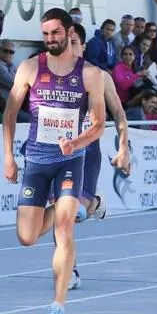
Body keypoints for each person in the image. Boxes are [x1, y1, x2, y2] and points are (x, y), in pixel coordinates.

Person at [2, 8, 106, 314]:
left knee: (64, 229)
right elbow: (9, 114)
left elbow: (100, 123)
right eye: (45, 34)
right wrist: (8, 157)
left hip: (70, 160)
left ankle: (58, 305)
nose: (50, 40)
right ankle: (63, 205)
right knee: (27, 236)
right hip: (36, 159)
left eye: (56, 33)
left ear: (68, 31)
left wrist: (76, 143)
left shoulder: (90, 74)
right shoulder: (30, 68)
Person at [45, 23, 130, 290]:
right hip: (53, 151)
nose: (68, 47)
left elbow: (118, 113)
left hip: (86, 153)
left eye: (74, 43)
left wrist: (124, 148)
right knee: (60, 216)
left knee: (76, 213)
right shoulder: (45, 73)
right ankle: (68, 269)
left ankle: (94, 201)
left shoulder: (99, 76)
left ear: (83, 46)